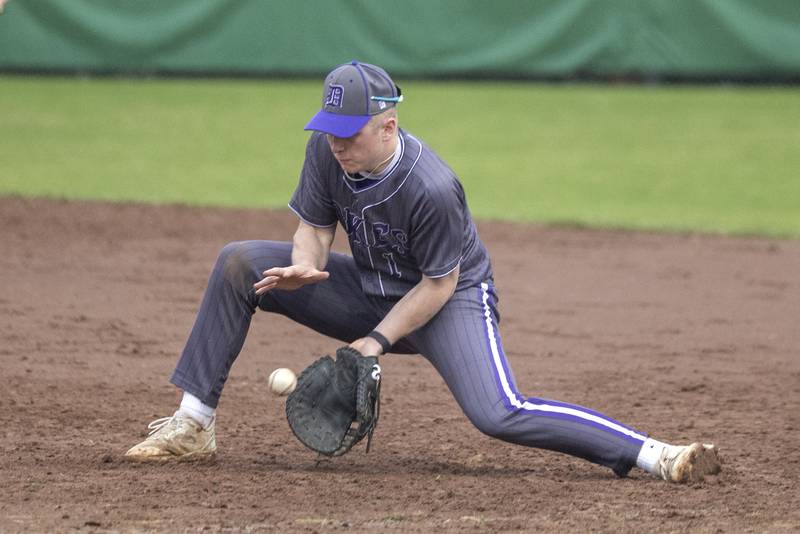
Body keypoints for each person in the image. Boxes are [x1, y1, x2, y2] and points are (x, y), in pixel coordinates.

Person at [125, 61, 721, 483]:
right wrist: (305, 266)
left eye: (349, 133)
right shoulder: (326, 149)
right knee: (239, 263)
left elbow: (437, 283)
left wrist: (374, 342)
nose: (336, 144)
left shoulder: (431, 188)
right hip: (370, 288)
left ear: (387, 125)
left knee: (498, 412)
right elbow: (313, 224)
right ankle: (193, 424)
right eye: (329, 130)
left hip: (448, 300)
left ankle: (652, 455)